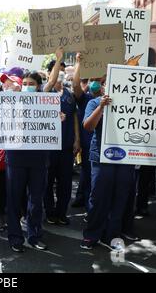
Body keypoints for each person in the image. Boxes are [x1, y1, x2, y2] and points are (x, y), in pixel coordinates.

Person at [5, 53, 61, 253]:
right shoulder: (11, 101)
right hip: (16, 158)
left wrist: (57, 118)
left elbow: (53, 80)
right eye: (25, 82)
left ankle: (34, 235)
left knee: (36, 200)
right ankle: (15, 237)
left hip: (38, 159)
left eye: (32, 83)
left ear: (38, 86)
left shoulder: (45, 101)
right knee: (14, 199)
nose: (28, 85)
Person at [80, 76, 136, 250]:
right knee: (98, 197)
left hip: (126, 157)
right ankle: (92, 235)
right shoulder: (94, 102)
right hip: (101, 157)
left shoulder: (134, 103)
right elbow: (88, 126)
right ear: (103, 88)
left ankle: (112, 235)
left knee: (120, 198)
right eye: (107, 83)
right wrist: (101, 107)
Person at [43, 52, 80, 226]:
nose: (62, 73)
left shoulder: (69, 94)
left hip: (66, 146)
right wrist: (58, 58)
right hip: (49, 147)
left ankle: (61, 212)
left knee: (65, 182)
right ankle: (50, 212)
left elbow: (74, 117)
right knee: (48, 181)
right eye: (59, 70)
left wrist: (77, 139)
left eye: (64, 71)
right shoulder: (45, 90)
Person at [71, 53, 95, 212]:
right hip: (87, 145)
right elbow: (75, 86)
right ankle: (87, 204)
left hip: (104, 147)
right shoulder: (85, 98)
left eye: (100, 81)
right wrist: (78, 63)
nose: (95, 84)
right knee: (87, 175)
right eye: (92, 81)